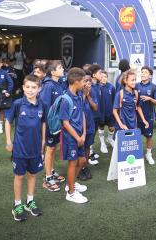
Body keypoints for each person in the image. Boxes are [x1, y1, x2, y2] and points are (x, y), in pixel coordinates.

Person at [5, 75, 46, 222]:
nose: (30, 90)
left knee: (33, 175)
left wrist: (43, 141)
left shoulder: (42, 104)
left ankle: (30, 201)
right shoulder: (17, 103)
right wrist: (9, 141)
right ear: (23, 87)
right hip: (20, 149)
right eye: (27, 87)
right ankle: (17, 204)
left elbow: (43, 123)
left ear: (39, 89)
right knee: (19, 176)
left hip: (35, 149)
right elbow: (8, 121)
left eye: (34, 87)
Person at [60, 67, 89, 204]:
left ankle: (70, 184)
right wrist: (77, 137)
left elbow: (82, 114)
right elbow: (65, 123)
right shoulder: (65, 99)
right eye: (83, 81)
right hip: (71, 138)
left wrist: (83, 133)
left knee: (82, 161)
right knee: (73, 163)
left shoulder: (78, 95)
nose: (85, 83)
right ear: (76, 81)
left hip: (80, 137)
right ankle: (71, 193)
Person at [40, 60, 66, 192]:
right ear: (52, 72)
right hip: (51, 124)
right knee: (50, 149)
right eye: (60, 67)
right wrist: (50, 124)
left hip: (57, 123)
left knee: (53, 148)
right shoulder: (48, 85)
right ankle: (48, 177)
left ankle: (52, 171)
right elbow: (45, 107)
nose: (62, 69)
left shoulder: (59, 84)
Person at [135, 66, 156, 165]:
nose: (143, 74)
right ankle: (137, 155)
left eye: (145, 72)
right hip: (136, 117)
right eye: (142, 72)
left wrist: (150, 99)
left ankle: (148, 154)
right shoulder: (136, 85)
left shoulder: (153, 87)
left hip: (148, 116)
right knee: (136, 136)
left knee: (149, 136)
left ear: (149, 75)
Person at [113, 70, 149, 136]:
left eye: (135, 80)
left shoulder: (136, 93)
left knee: (131, 144)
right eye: (132, 80)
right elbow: (114, 111)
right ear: (125, 81)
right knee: (120, 145)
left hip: (133, 125)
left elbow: (138, 107)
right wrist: (121, 124)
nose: (134, 82)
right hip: (121, 126)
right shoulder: (120, 94)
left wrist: (144, 120)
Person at [78, 70, 98, 180]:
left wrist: (89, 96)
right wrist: (85, 95)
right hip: (80, 126)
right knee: (79, 148)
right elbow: (79, 107)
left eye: (89, 81)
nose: (88, 84)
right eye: (86, 81)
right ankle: (78, 168)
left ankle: (84, 166)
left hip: (90, 124)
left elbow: (95, 108)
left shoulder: (92, 92)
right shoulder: (77, 92)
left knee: (87, 147)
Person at [98, 70, 116, 153]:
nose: (103, 78)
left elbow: (113, 100)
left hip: (110, 113)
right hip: (100, 113)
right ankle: (102, 143)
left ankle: (109, 139)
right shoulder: (96, 87)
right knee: (101, 127)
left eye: (105, 77)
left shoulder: (111, 87)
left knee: (112, 128)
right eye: (101, 77)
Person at [88, 64, 102, 164]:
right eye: (99, 73)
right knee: (90, 136)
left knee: (93, 135)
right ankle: (88, 155)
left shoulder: (98, 85)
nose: (101, 75)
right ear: (93, 75)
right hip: (90, 117)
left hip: (96, 115)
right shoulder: (89, 87)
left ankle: (91, 151)